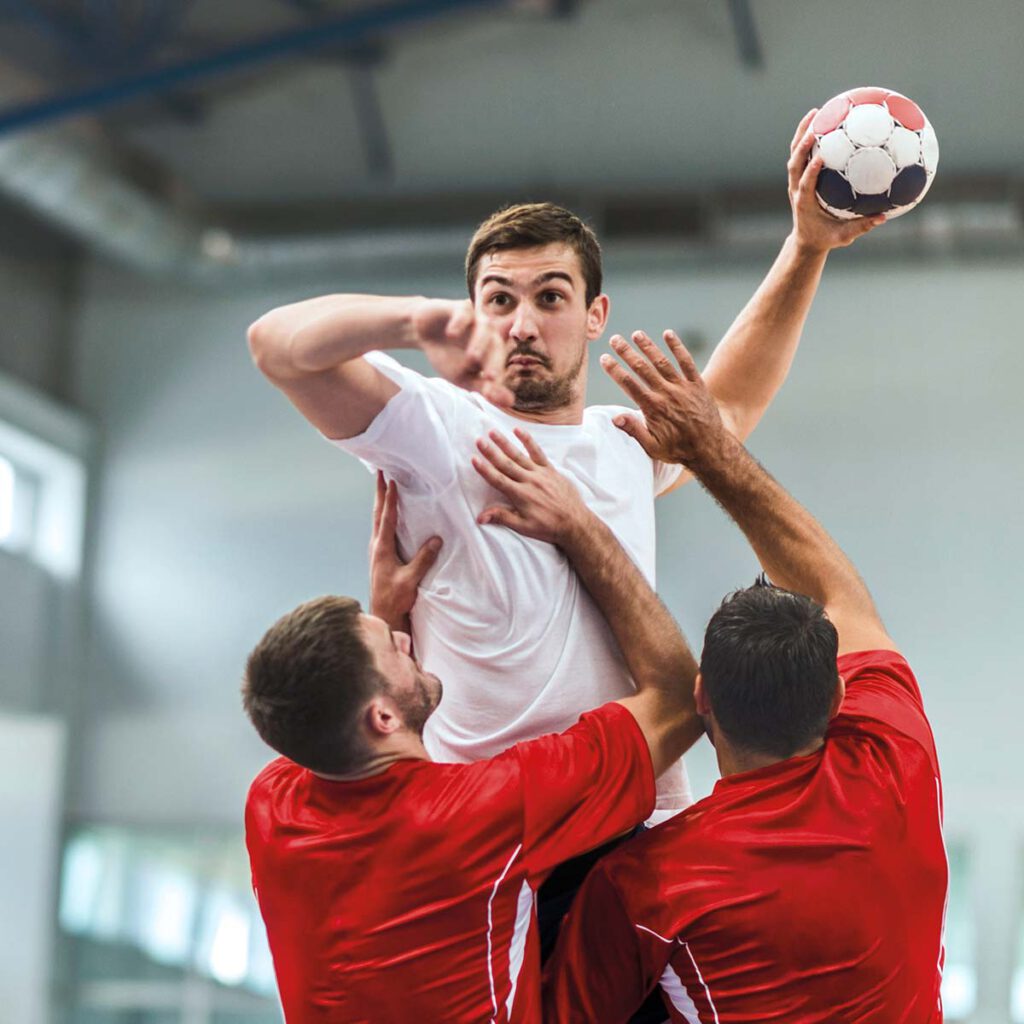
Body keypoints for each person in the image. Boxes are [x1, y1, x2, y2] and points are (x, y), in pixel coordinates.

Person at [246, 111, 884, 830]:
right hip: (494, 842)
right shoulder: (436, 428)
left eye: (549, 297)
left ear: (593, 314)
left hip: (632, 831)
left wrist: (805, 247)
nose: (521, 324)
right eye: (499, 300)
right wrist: (415, 322)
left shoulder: (620, 441)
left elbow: (727, 409)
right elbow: (276, 347)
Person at [542, 331, 948, 1023]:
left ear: (702, 706)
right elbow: (838, 593)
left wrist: (582, 534)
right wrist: (709, 447)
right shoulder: (895, 760)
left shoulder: (648, 883)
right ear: (841, 695)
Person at [243, 438, 704, 1023]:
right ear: (381, 719)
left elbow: (335, 709)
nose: (407, 637)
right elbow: (677, 701)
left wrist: (384, 613)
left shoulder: (271, 804)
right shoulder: (482, 813)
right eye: (394, 644)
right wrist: (582, 529)